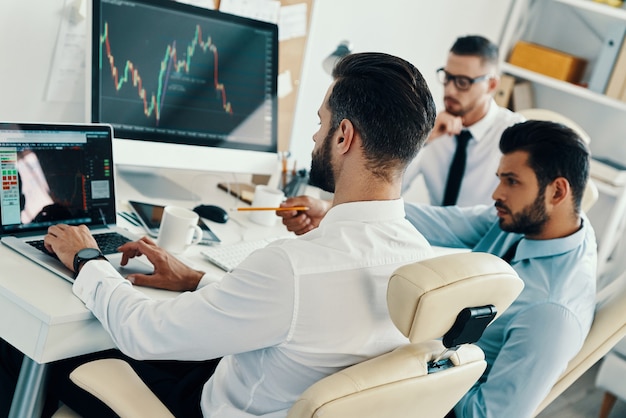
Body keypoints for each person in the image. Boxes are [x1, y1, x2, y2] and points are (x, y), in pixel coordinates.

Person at [0, 52, 437, 418]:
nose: (314, 134)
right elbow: (296, 320)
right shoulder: (423, 262)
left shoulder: (295, 267)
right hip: (266, 389)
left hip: (205, 406)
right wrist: (194, 279)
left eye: (321, 122)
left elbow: (143, 332)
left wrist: (86, 259)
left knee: (31, 350)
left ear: (344, 136)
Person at [279, 120, 597, 417]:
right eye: (500, 178)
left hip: (437, 398)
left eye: (511, 182)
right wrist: (336, 210)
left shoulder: (552, 314)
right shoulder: (530, 220)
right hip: (435, 354)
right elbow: (442, 223)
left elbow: (489, 415)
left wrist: (427, 367)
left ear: (557, 192)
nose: (496, 194)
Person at [402, 34, 524, 206]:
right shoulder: (431, 126)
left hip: (485, 231)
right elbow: (388, 191)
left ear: (492, 85)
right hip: (433, 229)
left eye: (462, 82)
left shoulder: (515, 134)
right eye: (448, 77)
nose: (450, 90)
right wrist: (423, 139)